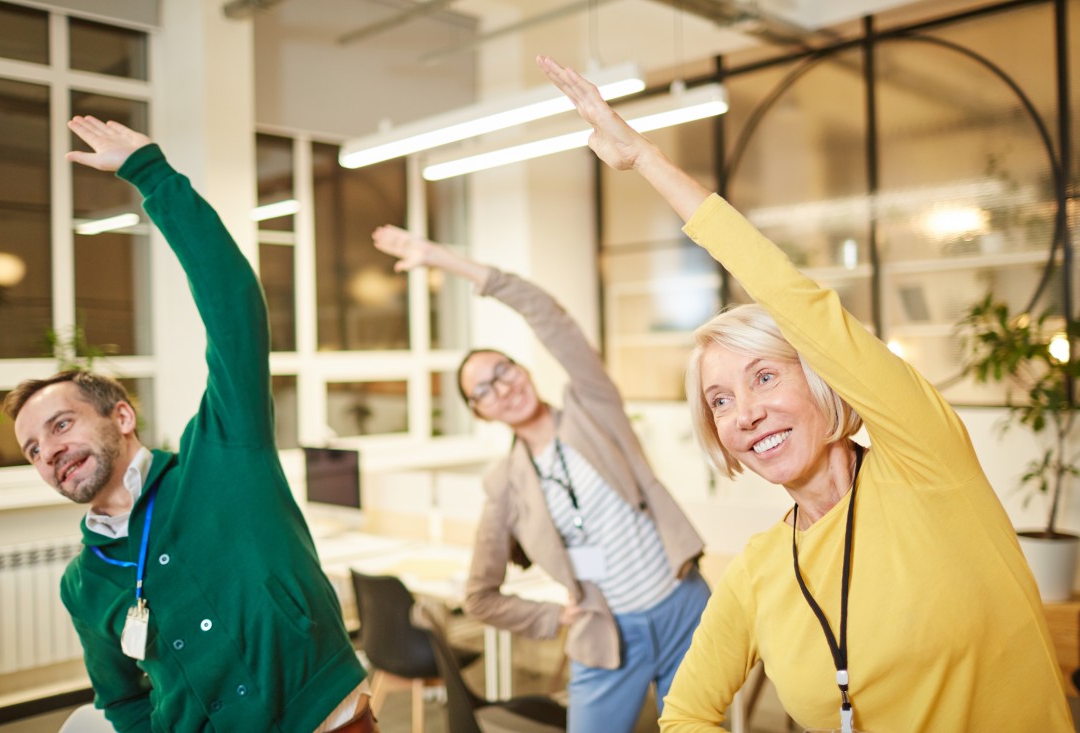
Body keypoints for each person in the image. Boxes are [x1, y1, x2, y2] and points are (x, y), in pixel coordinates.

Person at [537, 54, 1074, 732]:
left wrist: (645, 160)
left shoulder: (926, 464)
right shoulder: (759, 572)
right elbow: (685, 713)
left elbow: (801, 303)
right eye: (721, 400)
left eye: (764, 376)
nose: (746, 411)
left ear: (821, 376)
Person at [6, 117, 376, 733]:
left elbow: (234, 308)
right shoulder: (85, 582)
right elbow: (121, 701)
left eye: (62, 423)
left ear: (122, 415)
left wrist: (150, 173)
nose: (49, 451)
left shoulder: (226, 453)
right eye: (32, 449)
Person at [371, 224, 710, 732]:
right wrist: (552, 619)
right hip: (605, 634)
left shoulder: (592, 408)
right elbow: (480, 596)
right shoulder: (505, 485)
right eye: (483, 390)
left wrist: (445, 260)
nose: (502, 388)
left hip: (684, 608)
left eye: (503, 370)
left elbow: (547, 314)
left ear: (523, 368)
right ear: (479, 413)